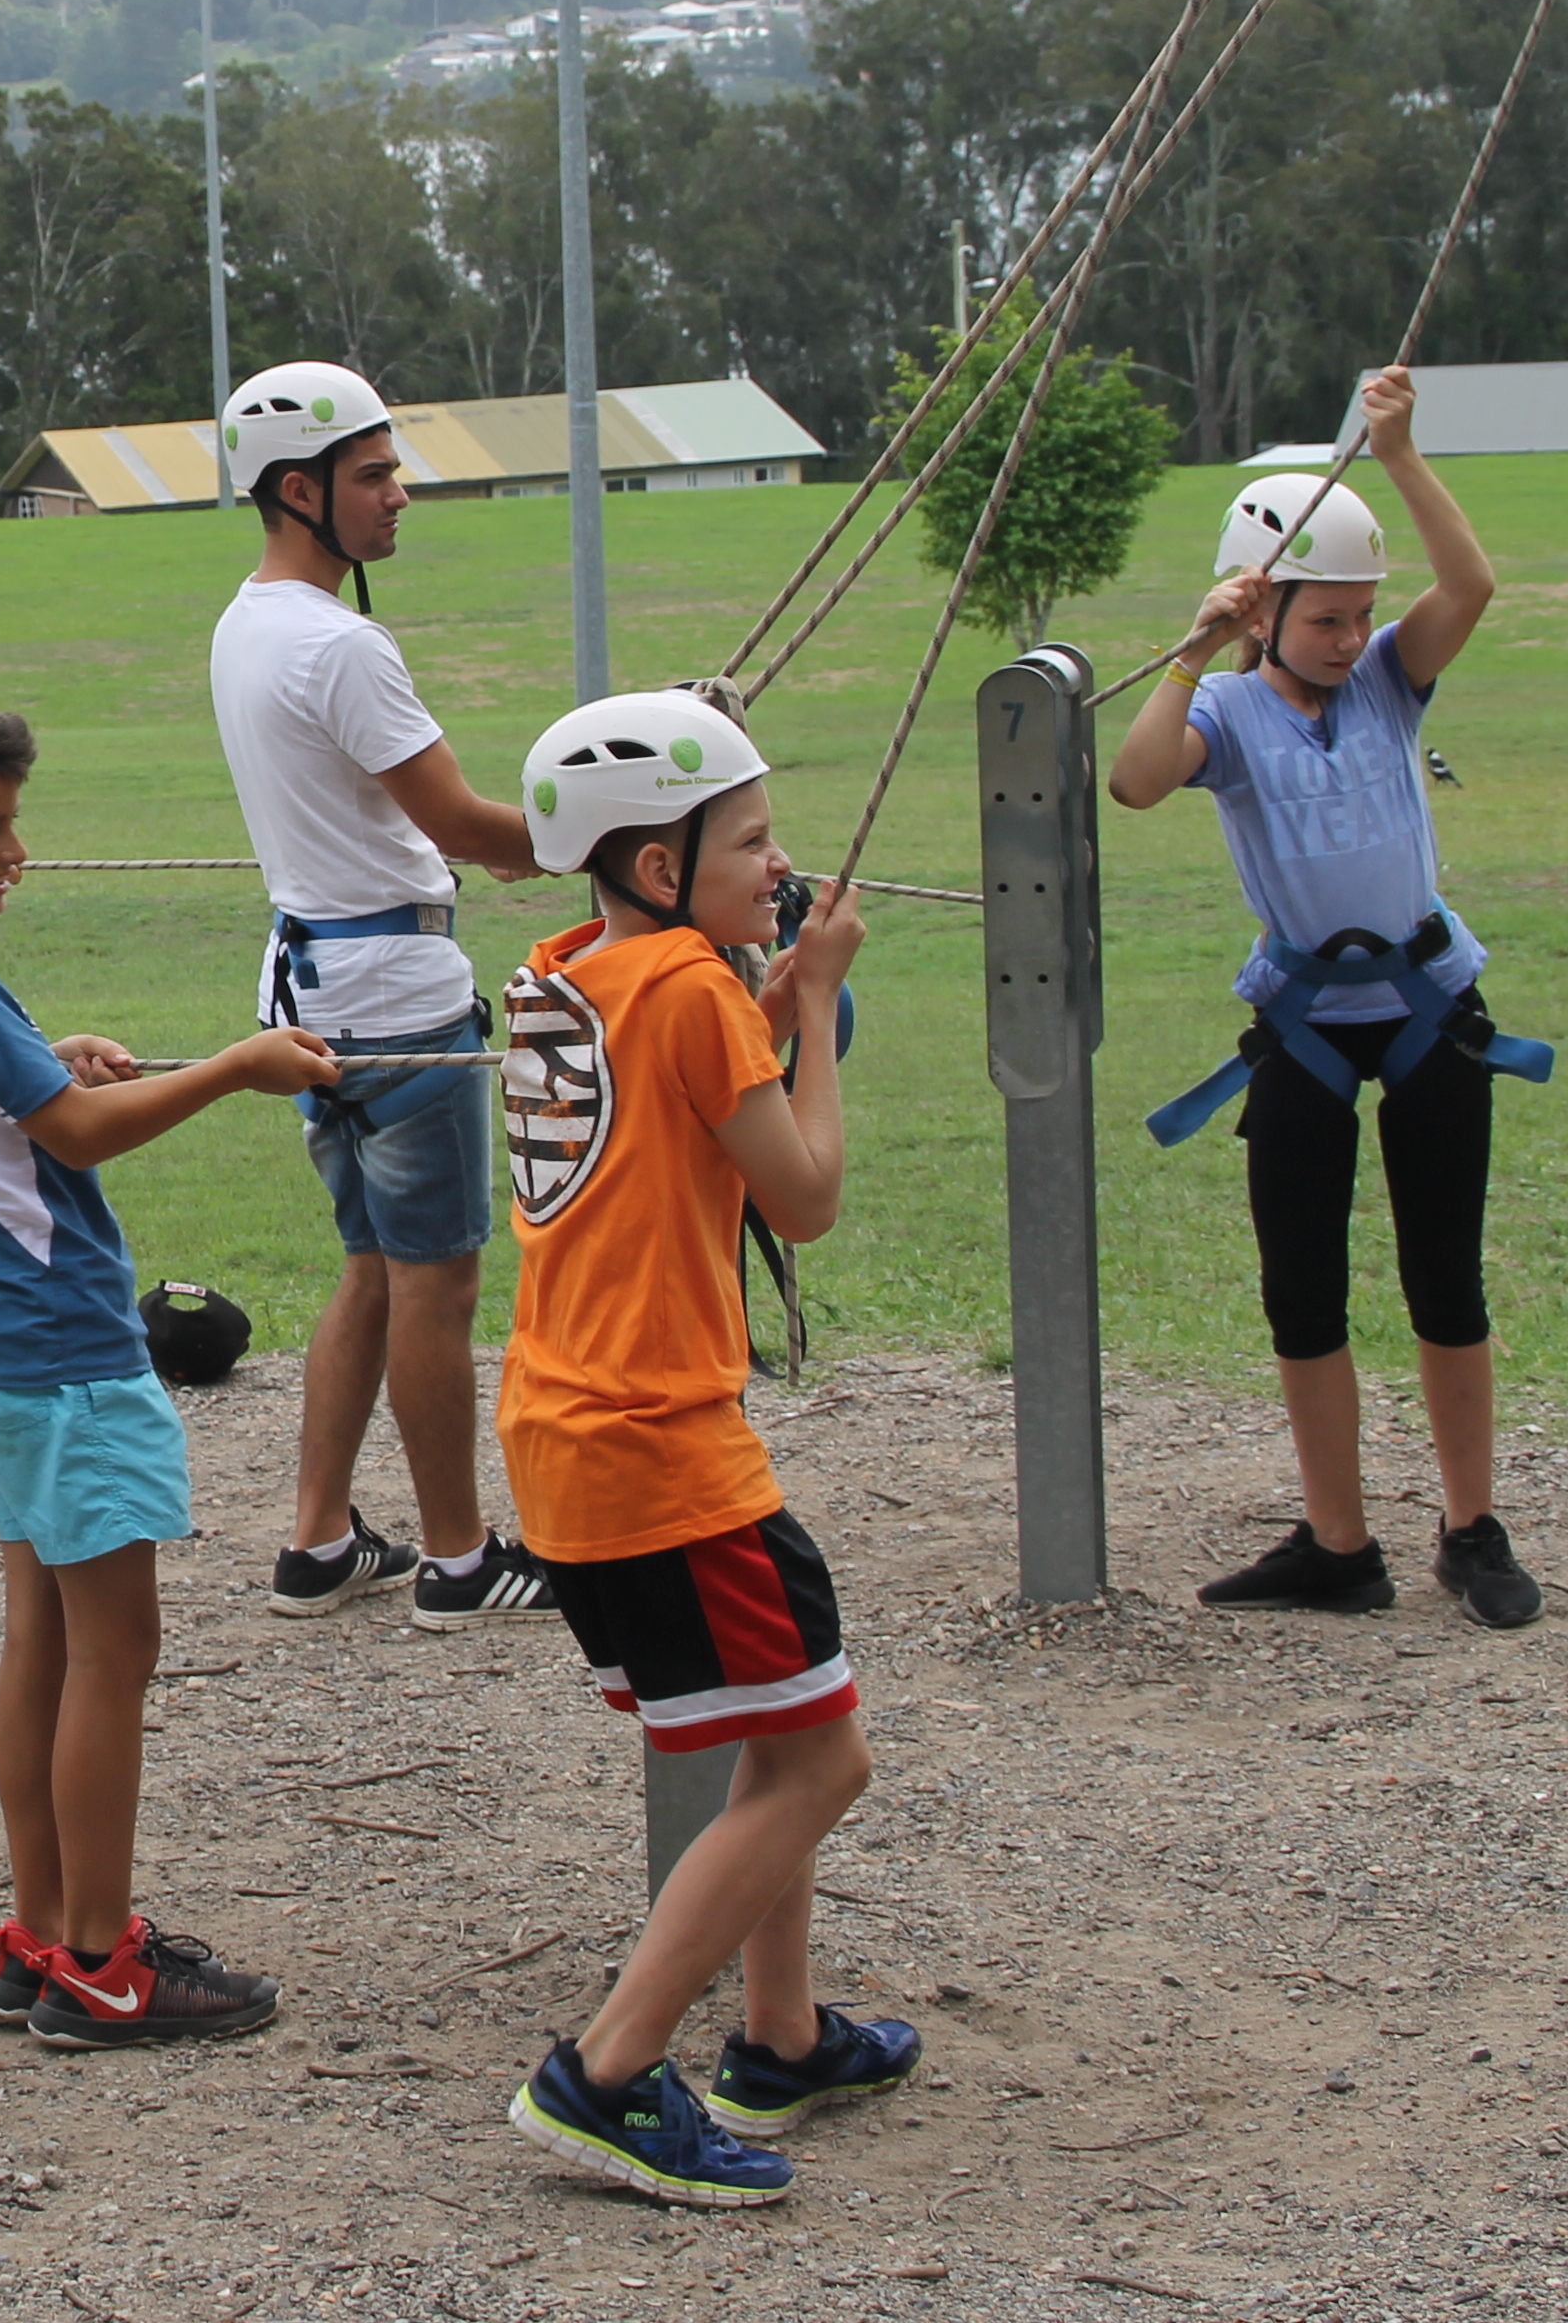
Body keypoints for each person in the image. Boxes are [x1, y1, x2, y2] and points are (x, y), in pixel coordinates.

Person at [0, 695, 331, 2049]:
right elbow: (76, 1136)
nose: (16, 850)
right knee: (116, 1651)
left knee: (43, 1642)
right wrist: (236, 1067)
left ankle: (45, 1933)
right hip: (61, 1349)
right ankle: (106, 1964)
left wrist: (51, 1062)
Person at [494, 690, 913, 2207]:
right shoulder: (692, 988)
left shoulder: (564, 973)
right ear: (659, 867)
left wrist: (767, 1004)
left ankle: (780, 2038)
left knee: (770, 1728)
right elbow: (804, 1198)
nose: (779, 863)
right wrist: (816, 1014)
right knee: (823, 1757)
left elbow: (671, 1117)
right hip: (660, 1446)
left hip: (567, 1433)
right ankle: (606, 2073)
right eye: (751, 841)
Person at [1108, 367, 1544, 1628]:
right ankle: (1340, 1546)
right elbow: (1136, 781)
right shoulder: (1227, 709)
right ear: (1263, 610)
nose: (1352, 639)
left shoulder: (1394, 679)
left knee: (1445, 1278)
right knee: (1302, 1292)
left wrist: (1399, 455)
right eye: (1326, 619)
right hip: (1303, 1027)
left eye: (1360, 615)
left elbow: (1470, 586)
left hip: (1427, 1010)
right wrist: (1194, 649)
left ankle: (1471, 1527)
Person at [206, 361, 557, 1627]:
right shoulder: (343, 643)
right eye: (372, 475)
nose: (398, 494)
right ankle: (460, 1558)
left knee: (369, 1267)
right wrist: (610, 833)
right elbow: (462, 822)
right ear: (300, 491)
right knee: (434, 1284)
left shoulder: (246, 622)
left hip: (315, 987)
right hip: (399, 998)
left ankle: (319, 1538)